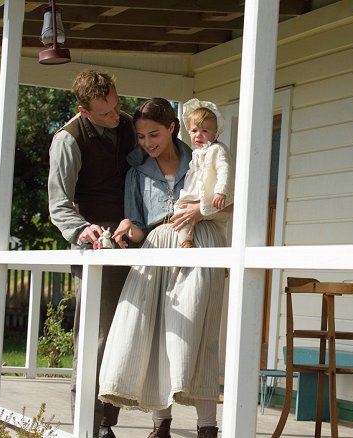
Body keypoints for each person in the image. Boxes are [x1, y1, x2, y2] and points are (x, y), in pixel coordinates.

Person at [98, 98, 229, 438]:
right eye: (141, 137)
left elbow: (228, 198)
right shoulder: (136, 173)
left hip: (201, 244)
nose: (147, 143)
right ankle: (160, 425)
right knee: (158, 332)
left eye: (153, 134)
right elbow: (141, 225)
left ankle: (207, 427)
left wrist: (198, 213)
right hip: (158, 248)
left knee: (199, 333)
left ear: (173, 128)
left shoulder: (204, 154)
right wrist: (129, 228)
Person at [48, 70, 135, 438]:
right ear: (84, 111)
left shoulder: (133, 125)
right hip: (97, 247)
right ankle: (89, 424)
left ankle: (108, 424)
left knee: (128, 336)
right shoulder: (67, 140)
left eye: (116, 105)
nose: (116, 116)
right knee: (97, 338)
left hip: (138, 241)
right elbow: (59, 204)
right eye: (105, 113)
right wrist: (82, 229)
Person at [174, 98, 233, 248]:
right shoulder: (196, 153)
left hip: (213, 200)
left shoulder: (217, 150)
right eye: (194, 131)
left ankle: (222, 262)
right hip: (196, 198)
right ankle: (186, 241)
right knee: (180, 211)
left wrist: (220, 191)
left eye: (204, 131)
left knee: (219, 230)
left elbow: (224, 170)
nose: (198, 135)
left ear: (215, 133)